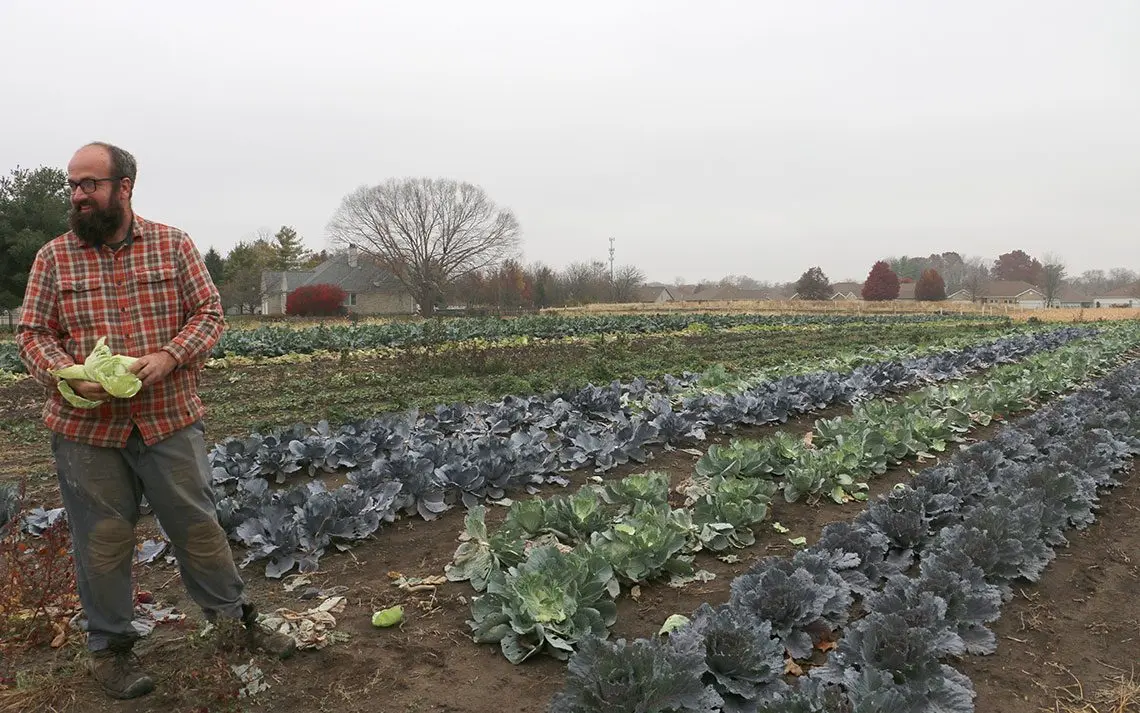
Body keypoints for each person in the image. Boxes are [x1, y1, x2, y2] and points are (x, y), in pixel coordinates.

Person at [16, 142, 295, 700]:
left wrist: (169, 356)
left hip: (168, 418)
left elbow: (210, 313)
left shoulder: (172, 245)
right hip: (87, 433)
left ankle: (234, 625)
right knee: (103, 540)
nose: (78, 196)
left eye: (89, 184)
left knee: (197, 526)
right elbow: (31, 334)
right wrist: (67, 374)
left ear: (124, 187)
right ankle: (112, 650)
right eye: (72, 185)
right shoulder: (53, 257)